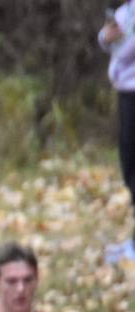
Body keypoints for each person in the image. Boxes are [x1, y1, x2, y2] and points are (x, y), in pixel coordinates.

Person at [99, 3, 135, 263]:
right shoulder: (128, 9)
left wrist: (126, 37)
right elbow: (107, 39)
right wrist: (107, 36)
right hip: (126, 94)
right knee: (130, 167)